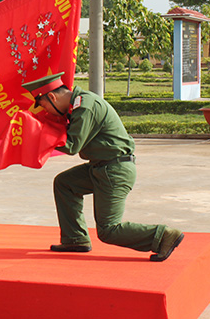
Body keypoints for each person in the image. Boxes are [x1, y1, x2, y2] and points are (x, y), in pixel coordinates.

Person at [22, 72, 185, 262]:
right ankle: (75, 239)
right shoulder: (78, 104)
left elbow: (72, 146)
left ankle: (163, 236)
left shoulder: (85, 107)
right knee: (65, 183)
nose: (46, 111)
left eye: (44, 106)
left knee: (108, 230)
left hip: (114, 170)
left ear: (52, 96)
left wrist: (36, 133)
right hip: (101, 167)